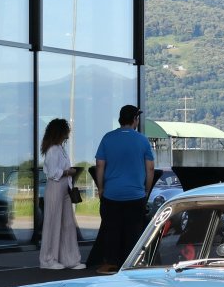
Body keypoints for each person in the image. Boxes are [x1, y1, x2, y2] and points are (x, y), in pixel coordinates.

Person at [86, 104, 156, 274]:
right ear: (135, 120)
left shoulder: (107, 138)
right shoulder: (142, 140)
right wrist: (146, 190)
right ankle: (133, 264)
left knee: (112, 230)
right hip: (135, 194)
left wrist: (100, 188)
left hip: (112, 194)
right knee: (134, 230)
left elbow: (99, 165)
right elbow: (150, 168)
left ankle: (110, 263)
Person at [37, 118, 85, 271]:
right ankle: (48, 260)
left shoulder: (59, 149)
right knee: (53, 223)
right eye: (66, 131)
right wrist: (68, 172)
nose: (68, 134)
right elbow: (53, 173)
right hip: (55, 187)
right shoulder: (53, 150)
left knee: (67, 224)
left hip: (64, 187)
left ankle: (70, 259)